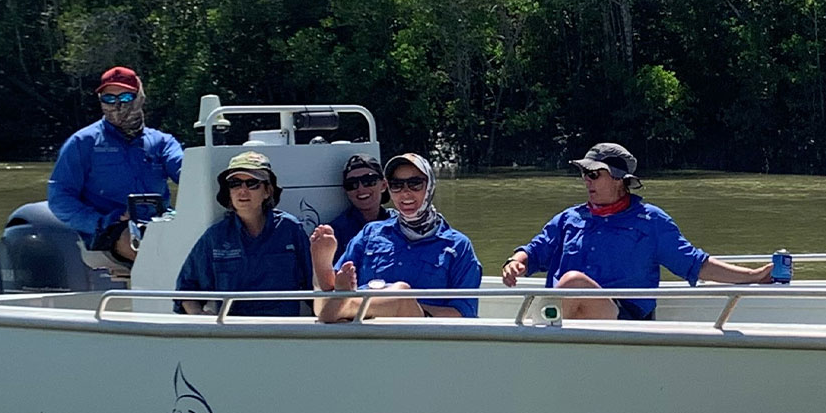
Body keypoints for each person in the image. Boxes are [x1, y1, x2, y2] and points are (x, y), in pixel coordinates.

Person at [500, 142, 771, 320]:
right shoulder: (568, 218)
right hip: (561, 318)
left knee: (573, 283)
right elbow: (533, 251)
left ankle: (542, 358)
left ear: (619, 179)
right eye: (583, 173)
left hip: (622, 323)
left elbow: (696, 264)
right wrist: (515, 263)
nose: (586, 180)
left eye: (594, 174)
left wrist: (754, 276)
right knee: (570, 287)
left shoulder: (650, 221)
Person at [312, 152, 481, 321]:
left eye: (415, 184)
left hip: (421, 332)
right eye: (397, 185)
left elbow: (464, 312)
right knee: (332, 293)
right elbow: (339, 284)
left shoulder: (457, 245)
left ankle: (347, 306)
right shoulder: (370, 233)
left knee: (401, 293)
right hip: (364, 332)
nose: (405, 192)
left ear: (430, 186)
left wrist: (407, 306)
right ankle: (326, 274)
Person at [47, 66, 183, 265]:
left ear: (139, 98)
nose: (117, 104)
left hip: (162, 222)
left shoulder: (163, 142)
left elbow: (188, 174)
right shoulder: (82, 142)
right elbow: (59, 198)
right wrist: (101, 221)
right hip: (109, 230)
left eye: (126, 97)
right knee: (147, 249)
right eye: (109, 99)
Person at [175, 151, 314, 316]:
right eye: (235, 183)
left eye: (252, 183)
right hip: (233, 334)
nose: (242, 191)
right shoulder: (215, 237)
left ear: (268, 191)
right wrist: (198, 317)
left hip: (282, 331)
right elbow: (187, 289)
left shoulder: (290, 229)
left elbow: (313, 285)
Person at [325, 154, 389, 249]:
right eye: (352, 184)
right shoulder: (334, 233)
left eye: (368, 181)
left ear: (383, 185)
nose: (361, 189)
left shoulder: (402, 224)